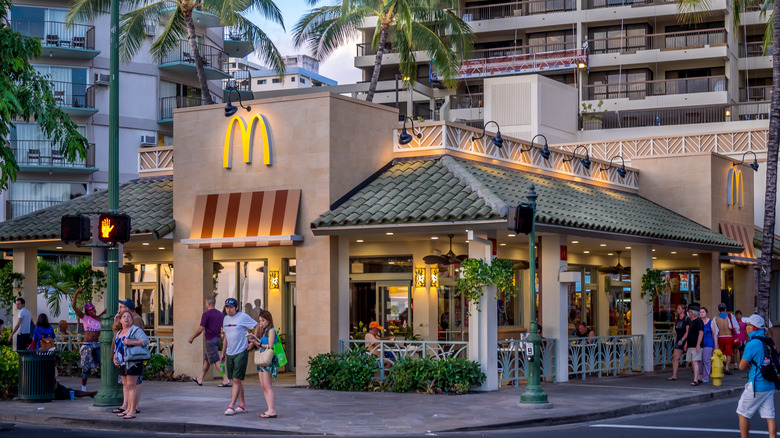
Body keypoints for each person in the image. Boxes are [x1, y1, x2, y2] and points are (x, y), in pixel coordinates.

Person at [737, 314, 777, 438]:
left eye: (748, 325)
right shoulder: (768, 341)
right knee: (769, 416)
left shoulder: (752, 344)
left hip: (756, 385)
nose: (746, 327)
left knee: (742, 413)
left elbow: (741, 366)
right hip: (770, 384)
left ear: (753, 328)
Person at [220, 297, 258, 416]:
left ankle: (231, 405)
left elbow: (256, 326)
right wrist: (223, 352)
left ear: (236, 307)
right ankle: (242, 405)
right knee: (236, 379)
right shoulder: (225, 319)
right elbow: (226, 336)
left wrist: (253, 342)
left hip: (241, 351)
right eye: (227, 307)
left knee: (236, 379)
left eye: (231, 307)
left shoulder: (243, 317)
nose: (229, 310)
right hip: (229, 352)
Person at [112, 310, 148, 420]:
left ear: (132, 320)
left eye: (129, 317)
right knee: (126, 385)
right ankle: (127, 408)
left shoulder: (135, 330)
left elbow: (145, 340)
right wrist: (114, 357)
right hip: (122, 362)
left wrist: (131, 342)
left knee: (131, 385)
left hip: (133, 361)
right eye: (124, 317)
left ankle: (132, 410)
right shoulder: (119, 332)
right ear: (121, 320)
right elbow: (116, 347)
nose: (126, 318)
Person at [188, 297, 230, 387]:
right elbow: (225, 328)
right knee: (207, 360)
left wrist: (192, 337)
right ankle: (200, 378)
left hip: (210, 340)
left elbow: (201, 329)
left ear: (207, 303)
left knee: (217, 360)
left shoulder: (206, 314)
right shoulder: (220, 314)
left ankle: (225, 379)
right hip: (218, 339)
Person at [113, 298, 144, 409]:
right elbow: (117, 337)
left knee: (135, 383)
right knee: (126, 384)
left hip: (133, 357)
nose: (120, 309)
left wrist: (131, 342)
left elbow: (141, 339)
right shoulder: (123, 320)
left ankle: (134, 407)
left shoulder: (136, 319)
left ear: (127, 309)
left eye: (121, 307)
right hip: (123, 357)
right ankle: (126, 405)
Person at [73, 288, 105, 391]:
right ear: (87, 312)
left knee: (103, 364)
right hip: (87, 344)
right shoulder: (84, 317)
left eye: (94, 309)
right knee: (86, 367)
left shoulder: (100, 318)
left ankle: (105, 385)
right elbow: (74, 306)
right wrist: (76, 293)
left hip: (97, 344)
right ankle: (83, 387)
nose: (93, 311)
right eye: (91, 310)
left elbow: (108, 309)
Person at [250, 310, 278, 418]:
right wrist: (255, 342)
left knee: (267, 386)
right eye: (260, 321)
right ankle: (269, 408)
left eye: (263, 320)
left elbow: (270, 346)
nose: (261, 323)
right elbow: (262, 345)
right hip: (262, 359)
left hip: (267, 360)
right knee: (263, 386)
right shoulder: (265, 331)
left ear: (268, 320)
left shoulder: (271, 331)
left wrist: (259, 343)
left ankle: (272, 410)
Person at [715, 303, 741, 375]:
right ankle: (727, 367)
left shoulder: (715, 318)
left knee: (722, 353)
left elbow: (715, 330)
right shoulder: (730, 316)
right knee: (729, 353)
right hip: (729, 336)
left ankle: (723, 367)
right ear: (725, 309)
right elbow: (735, 326)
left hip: (720, 337)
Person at [668, 304, 690, 381]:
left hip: (686, 340)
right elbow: (676, 331)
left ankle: (698, 376)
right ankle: (674, 375)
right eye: (677, 308)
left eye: (679, 308)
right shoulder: (677, 319)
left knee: (693, 359)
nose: (677, 310)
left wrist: (682, 340)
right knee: (675, 357)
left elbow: (688, 331)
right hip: (679, 340)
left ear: (683, 310)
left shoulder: (687, 319)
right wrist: (677, 339)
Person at [687, 305, 705, 386]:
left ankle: (695, 379)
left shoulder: (699, 321)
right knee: (692, 362)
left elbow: (701, 333)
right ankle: (697, 377)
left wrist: (698, 344)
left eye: (690, 312)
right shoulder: (692, 321)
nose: (689, 313)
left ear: (693, 313)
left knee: (695, 361)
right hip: (690, 345)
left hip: (695, 345)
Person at [700, 307, 717, 384]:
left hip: (708, 344)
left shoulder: (711, 322)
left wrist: (715, 345)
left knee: (706, 361)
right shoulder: (698, 322)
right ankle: (699, 376)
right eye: (700, 312)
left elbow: (714, 334)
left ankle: (705, 377)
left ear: (706, 313)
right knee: (699, 361)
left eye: (703, 312)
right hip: (699, 344)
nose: (701, 313)